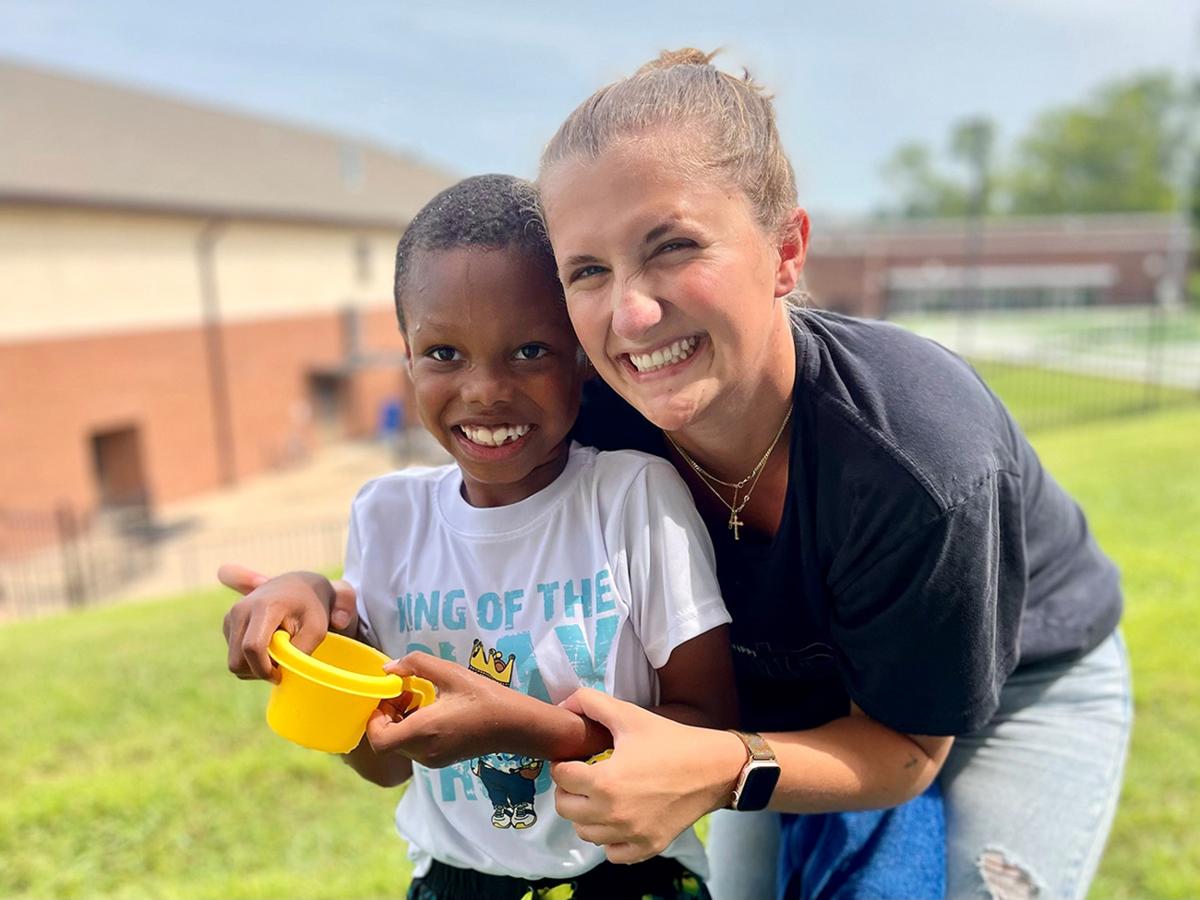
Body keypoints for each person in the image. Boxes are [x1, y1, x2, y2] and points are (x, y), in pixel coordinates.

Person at [527, 49, 1132, 900]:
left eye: (673, 246)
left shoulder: (918, 457)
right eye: (587, 269)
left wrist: (721, 765)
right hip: (799, 702)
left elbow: (906, 751)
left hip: (1025, 684)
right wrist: (336, 607)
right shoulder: (594, 423)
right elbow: (470, 534)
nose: (630, 312)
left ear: (786, 251)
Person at [222, 174, 738, 900]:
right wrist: (312, 649)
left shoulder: (632, 497)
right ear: (405, 355)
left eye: (529, 351)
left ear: (580, 356)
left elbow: (709, 730)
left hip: (627, 875)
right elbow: (387, 764)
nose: (484, 389)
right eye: (443, 354)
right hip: (452, 884)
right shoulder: (386, 516)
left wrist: (520, 729)